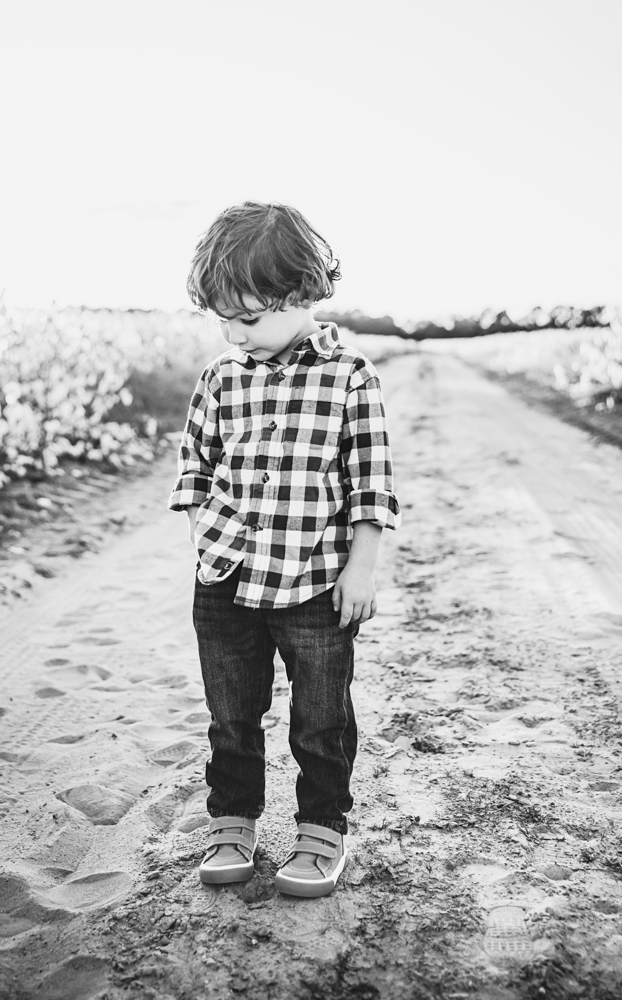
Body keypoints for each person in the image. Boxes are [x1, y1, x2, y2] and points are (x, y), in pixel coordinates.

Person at [168, 201, 399, 898]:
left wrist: (361, 570)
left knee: (320, 718)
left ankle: (321, 829)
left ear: (299, 294)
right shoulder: (219, 379)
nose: (236, 333)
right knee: (231, 716)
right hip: (226, 583)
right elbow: (195, 472)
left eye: (250, 317)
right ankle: (232, 820)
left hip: (313, 585)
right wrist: (209, 540)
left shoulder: (349, 376)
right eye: (224, 320)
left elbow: (371, 487)